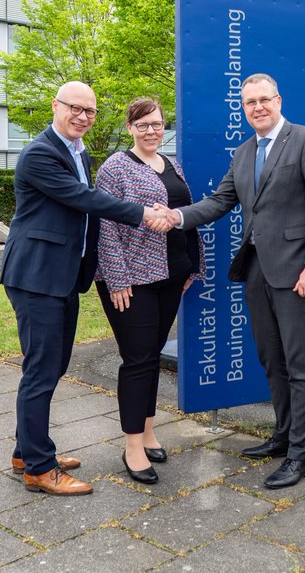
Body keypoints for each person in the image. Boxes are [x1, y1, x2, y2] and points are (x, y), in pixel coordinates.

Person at [159, 73, 305, 489]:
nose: (257, 107)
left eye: (264, 99)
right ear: (243, 108)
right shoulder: (243, 152)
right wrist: (177, 217)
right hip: (257, 269)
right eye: (249, 102)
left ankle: (301, 455)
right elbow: (222, 200)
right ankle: (282, 435)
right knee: (271, 360)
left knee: (302, 365)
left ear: (279, 99)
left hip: (299, 272)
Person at [0, 81, 169, 496]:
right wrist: (142, 213)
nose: (83, 116)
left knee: (53, 367)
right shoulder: (40, 153)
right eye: (75, 108)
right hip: (35, 277)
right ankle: (39, 469)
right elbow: (82, 198)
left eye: (90, 111)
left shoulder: (79, 151)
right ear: (55, 106)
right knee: (41, 371)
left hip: (62, 277)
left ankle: (27, 451)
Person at [94, 97, 204, 485]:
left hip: (172, 275)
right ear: (130, 129)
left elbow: (183, 215)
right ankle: (132, 447)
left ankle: (149, 431)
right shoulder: (115, 168)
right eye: (143, 125)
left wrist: (192, 266)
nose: (152, 131)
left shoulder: (172, 164)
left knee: (151, 357)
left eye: (157, 124)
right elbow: (105, 227)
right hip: (132, 281)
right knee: (137, 360)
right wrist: (117, 279)